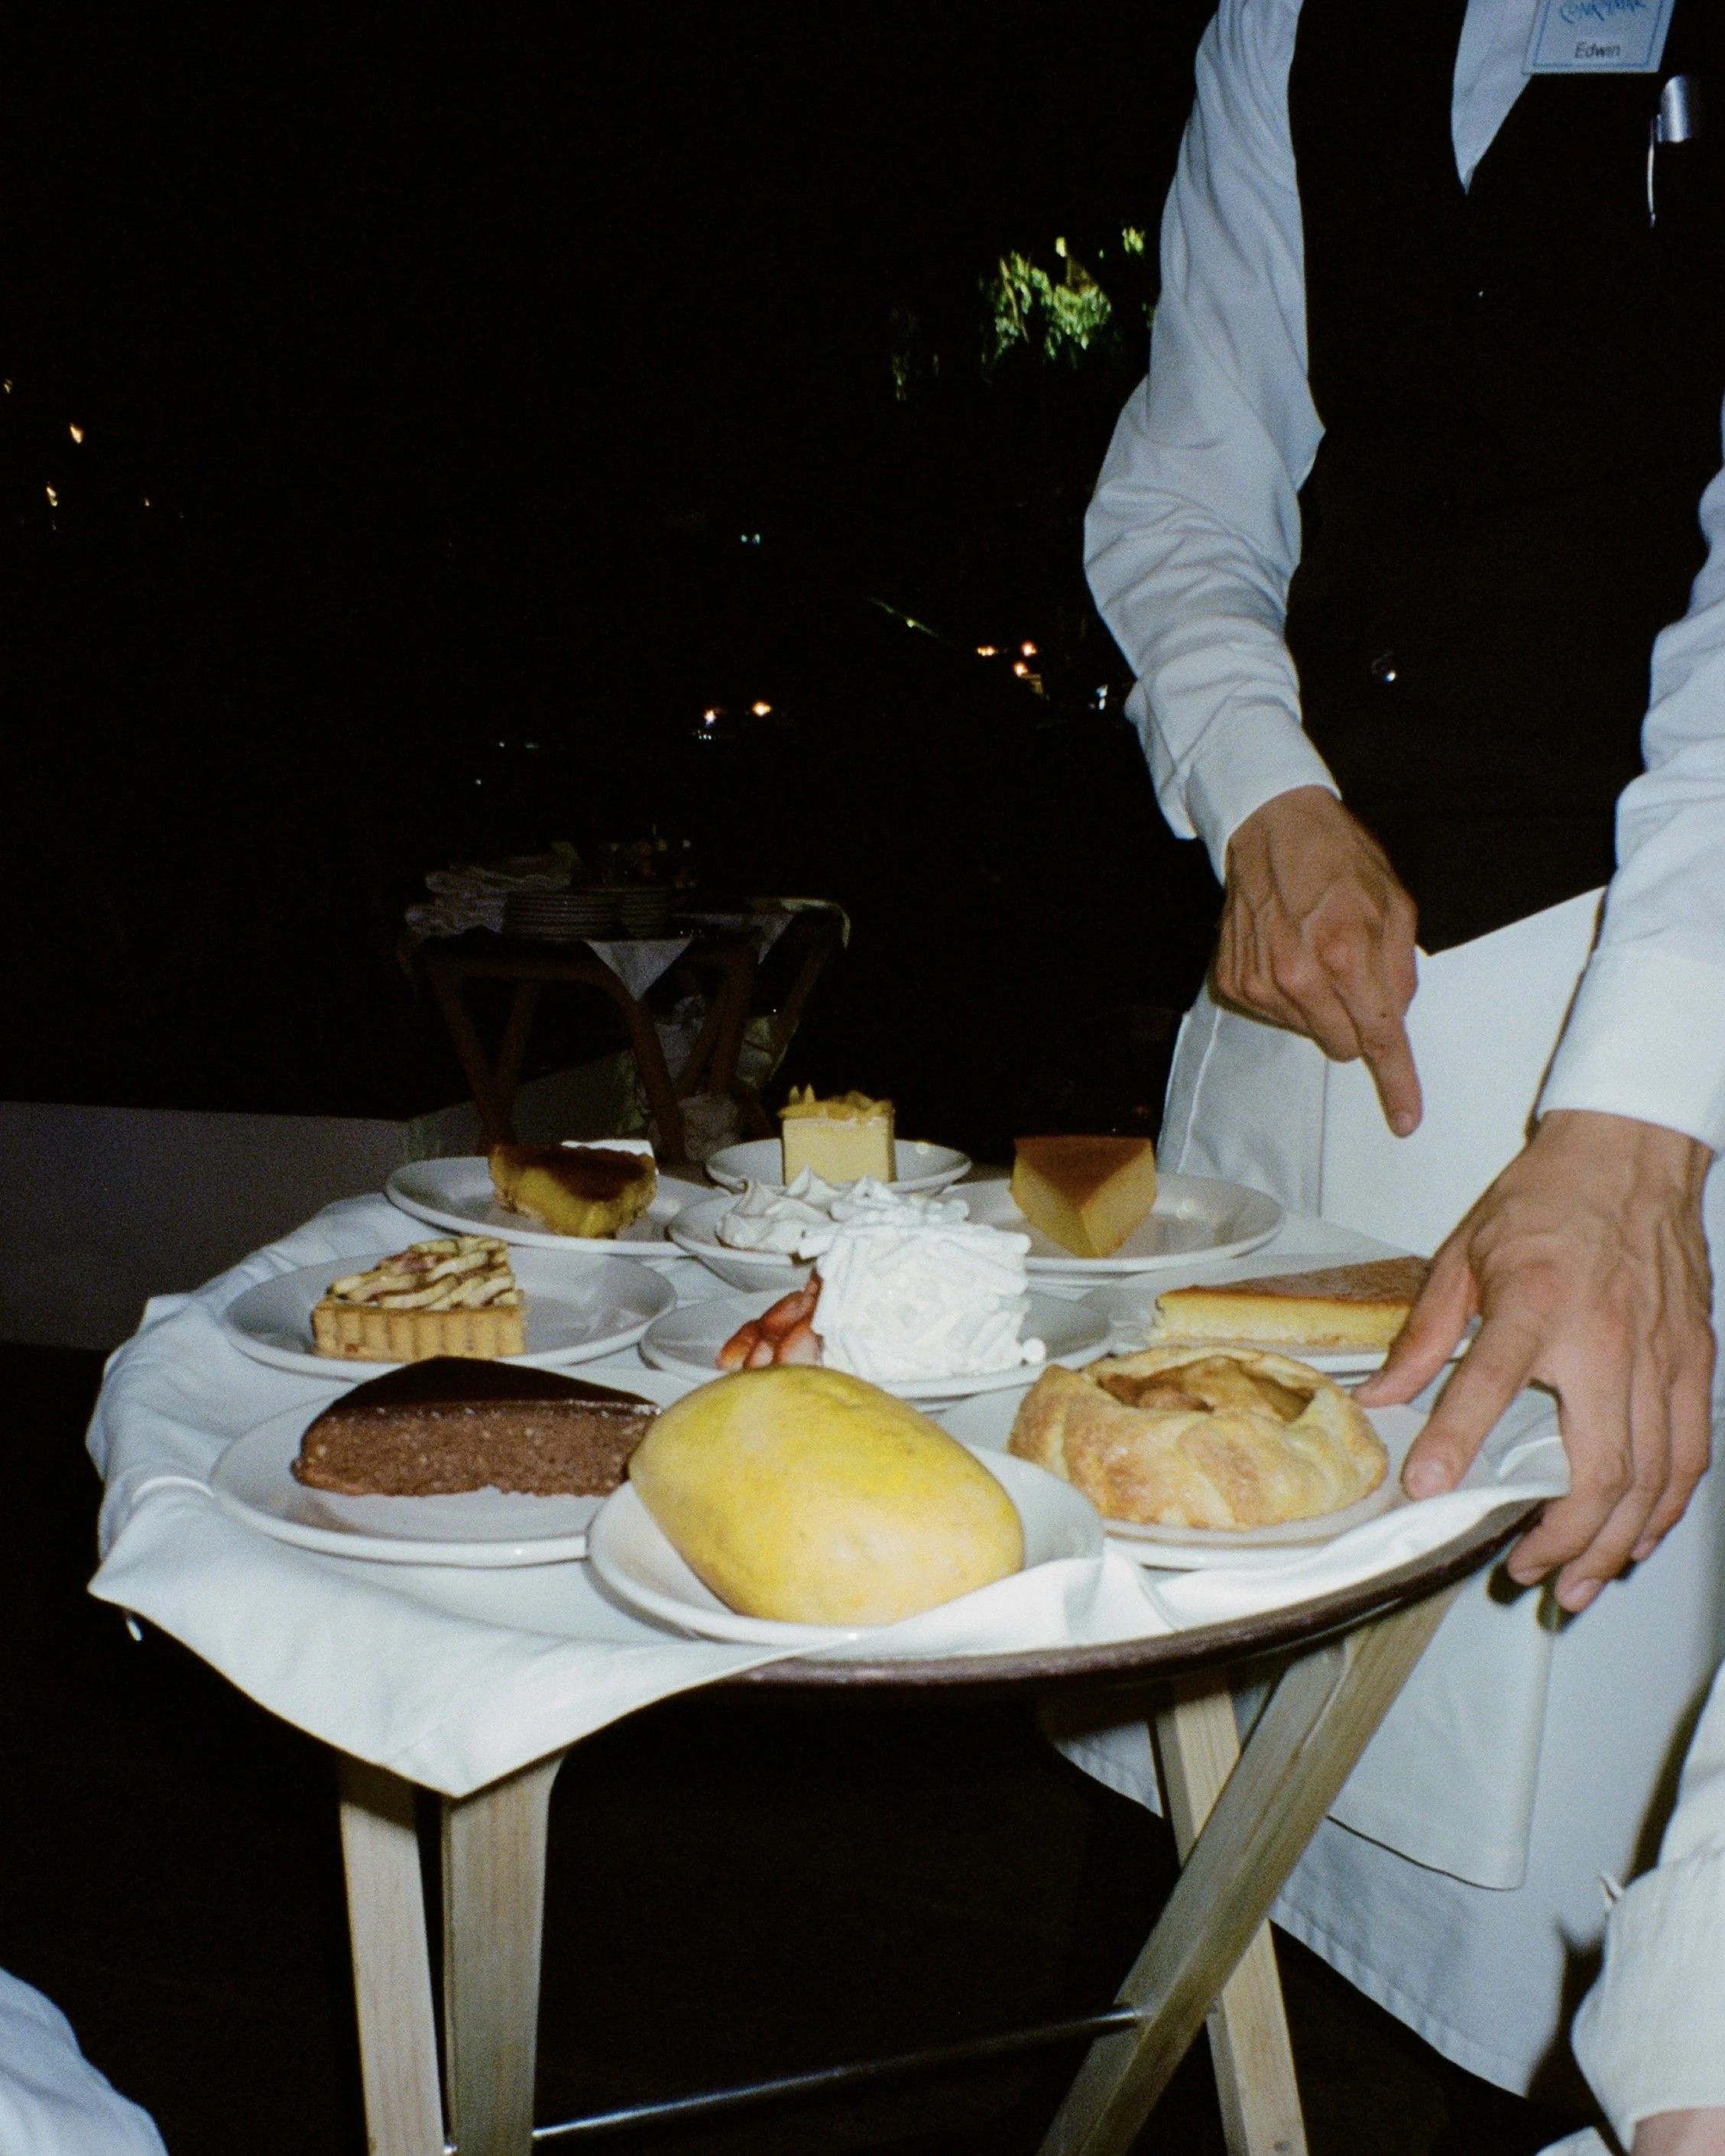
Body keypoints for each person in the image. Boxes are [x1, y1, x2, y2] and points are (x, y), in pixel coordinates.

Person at [1085, 0, 1725, 2099]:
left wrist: (1639, 1131)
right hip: (1288, 1060)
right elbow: (1184, 484)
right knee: (1192, 1865)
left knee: (1522, 1946)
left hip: (1624, 1035)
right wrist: (1262, 791)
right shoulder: (1285, 14)